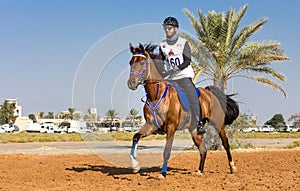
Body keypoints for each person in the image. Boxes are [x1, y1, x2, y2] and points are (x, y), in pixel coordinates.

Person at [156, 16, 206, 134]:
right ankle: (160, 123)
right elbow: (161, 60)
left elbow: (187, 60)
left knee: (192, 94)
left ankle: (199, 123)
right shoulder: (162, 45)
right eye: (165, 28)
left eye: (169, 28)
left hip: (184, 75)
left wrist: (174, 70)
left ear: (176, 29)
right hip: (170, 78)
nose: (167, 30)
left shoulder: (183, 43)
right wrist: (161, 71)